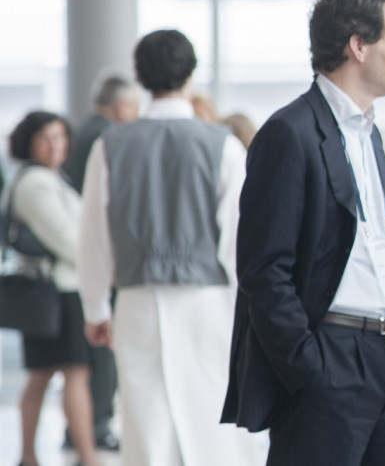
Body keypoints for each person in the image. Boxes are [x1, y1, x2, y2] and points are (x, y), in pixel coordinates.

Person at [221, 0, 385, 466]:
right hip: (332, 357)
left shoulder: (369, 134)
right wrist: (309, 366)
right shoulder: (290, 133)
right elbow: (264, 270)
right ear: (358, 46)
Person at [77, 29, 265, 466]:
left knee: (146, 426)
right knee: (211, 423)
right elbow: (238, 243)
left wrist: (96, 309)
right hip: (208, 302)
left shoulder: (111, 146)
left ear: (140, 77)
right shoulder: (223, 146)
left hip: (138, 300)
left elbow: (92, 236)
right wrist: (246, 316)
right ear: (191, 75)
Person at [5, 112, 104, 466]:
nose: (55, 146)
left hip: (58, 290)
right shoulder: (35, 184)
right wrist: (101, 263)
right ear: (28, 143)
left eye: (60, 137)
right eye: (45, 138)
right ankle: (87, 456)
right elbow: (68, 240)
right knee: (74, 373)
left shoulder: (50, 178)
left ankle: (29, 455)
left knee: (42, 375)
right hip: (57, 292)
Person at [58, 73, 138, 453]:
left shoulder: (83, 130)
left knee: (86, 360)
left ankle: (82, 426)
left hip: (81, 260)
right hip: (95, 261)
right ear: (122, 107)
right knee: (101, 355)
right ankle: (97, 424)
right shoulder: (107, 138)